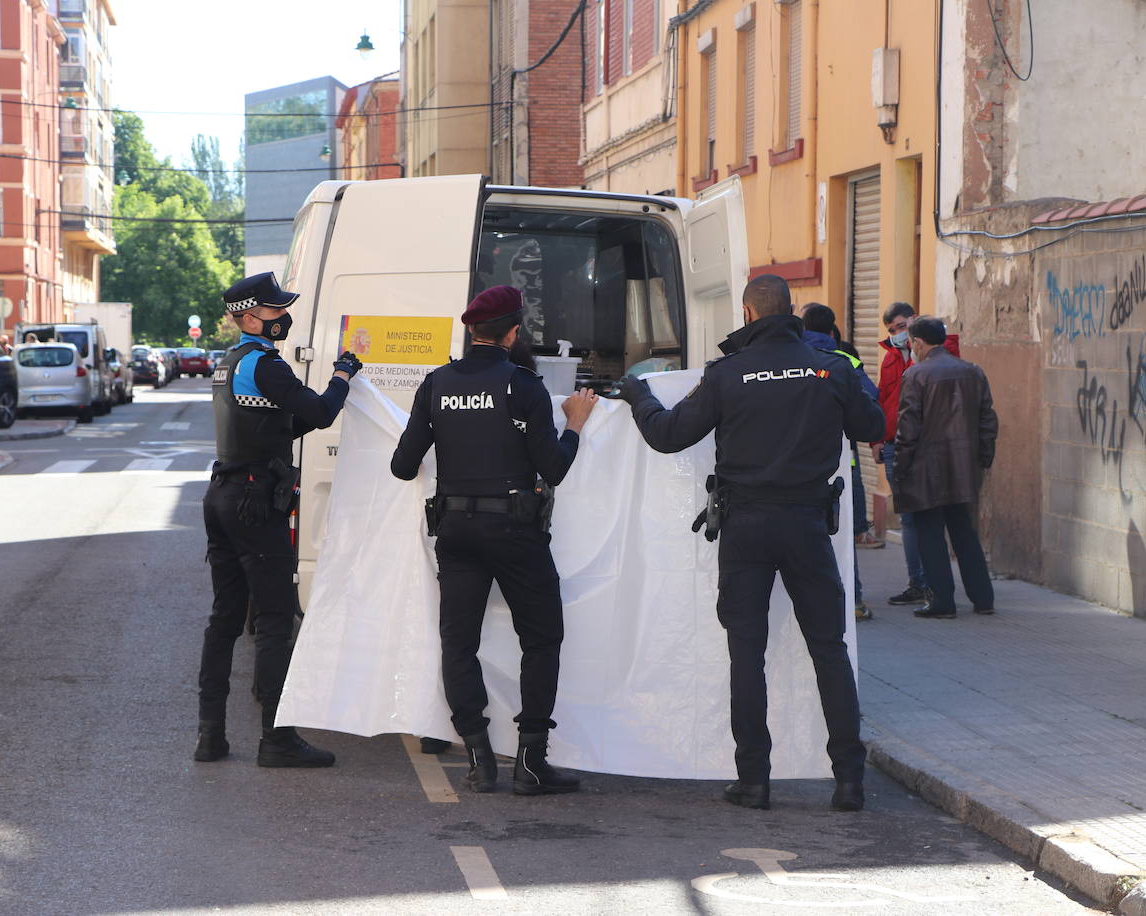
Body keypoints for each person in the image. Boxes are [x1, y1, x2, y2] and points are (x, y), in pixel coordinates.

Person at [611, 275, 885, 812]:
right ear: (792, 311)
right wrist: (848, 384)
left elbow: (667, 435)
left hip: (746, 527)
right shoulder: (830, 368)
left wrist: (639, 395)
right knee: (829, 649)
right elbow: (872, 425)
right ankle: (850, 782)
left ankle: (754, 781)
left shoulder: (728, 373)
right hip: (807, 524)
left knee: (746, 653)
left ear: (748, 313)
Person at [391, 285, 597, 796]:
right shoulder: (522, 385)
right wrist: (574, 425)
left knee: (459, 643)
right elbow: (554, 468)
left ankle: (479, 758)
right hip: (514, 530)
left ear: (471, 331)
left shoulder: (436, 384)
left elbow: (402, 466)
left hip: (456, 530)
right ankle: (531, 763)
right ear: (512, 332)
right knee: (542, 638)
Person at [194, 271, 365, 767]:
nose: (283, 316)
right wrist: (343, 375)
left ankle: (210, 736)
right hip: (253, 501)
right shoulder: (266, 365)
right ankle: (277, 738)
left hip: (222, 495)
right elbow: (321, 412)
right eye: (275, 310)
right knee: (273, 618)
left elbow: (280, 424)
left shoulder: (229, 362)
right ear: (249, 317)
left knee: (225, 617)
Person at [891, 316, 999, 619]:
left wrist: (900, 467)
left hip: (926, 470)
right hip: (964, 469)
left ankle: (942, 602)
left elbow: (907, 429)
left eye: (911, 342)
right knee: (965, 533)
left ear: (918, 343)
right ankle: (983, 599)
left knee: (930, 536)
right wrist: (983, 460)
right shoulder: (973, 371)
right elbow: (988, 421)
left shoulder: (916, 375)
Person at [870, 303, 961, 606]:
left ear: (913, 321)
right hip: (896, 445)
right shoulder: (890, 359)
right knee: (908, 518)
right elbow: (883, 399)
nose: (897, 334)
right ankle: (917, 583)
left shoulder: (939, 352)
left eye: (901, 327)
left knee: (932, 517)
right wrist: (877, 440)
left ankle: (937, 586)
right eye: (892, 330)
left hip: (928, 445)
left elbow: (951, 362)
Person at [800, 304, 882, 622]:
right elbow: (871, 402)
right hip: (841, 465)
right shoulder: (844, 361)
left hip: (796, 462)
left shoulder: (790, 358)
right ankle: (854, 601)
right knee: (843, 532)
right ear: (833, 330)